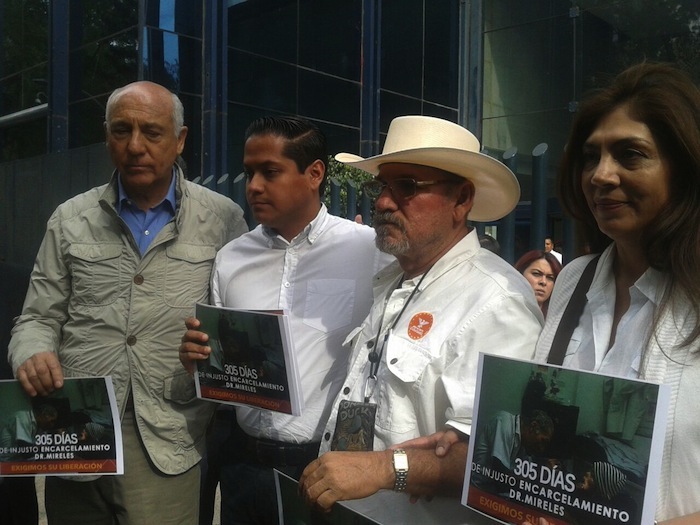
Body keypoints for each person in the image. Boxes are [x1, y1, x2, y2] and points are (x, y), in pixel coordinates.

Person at [7, 80, 247, 524]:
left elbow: (234, 326)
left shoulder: (222, 220)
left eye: (151, 133)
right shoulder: (69, 219)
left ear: (180, 140)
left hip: (168, 435)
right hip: (75, 427)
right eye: (121, 130)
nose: (134, 146)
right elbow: (37, 317)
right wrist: (32, 351)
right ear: (107, 137)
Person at [299, 115, 543, 522]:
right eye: (383, 186)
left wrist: (381, 468)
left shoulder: (497, 301)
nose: (382, 202)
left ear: (462, 200)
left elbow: (497, 459)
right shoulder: (394, 278)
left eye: (407, 187)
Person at [178, 116, 391, 525]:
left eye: (270, 172)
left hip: (324, 470)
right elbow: (223, 372)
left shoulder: (369, 252)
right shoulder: (231, 259)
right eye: (249, 172)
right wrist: (201, 363)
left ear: (314, 174)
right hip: (243, 466)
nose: (254, 185)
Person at [533, 62, 700, 524]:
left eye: (630, 155)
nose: (601, 176)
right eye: (591, 156)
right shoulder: (574, 280)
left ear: (684, 170)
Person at [470, 409, 554, 494]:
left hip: (495, 494)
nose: (541, 448)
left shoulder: (524, 445)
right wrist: (539, 477)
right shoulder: (504, 422)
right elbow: (500, 478)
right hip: (479, 490)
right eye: (543, 441)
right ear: (533, 426)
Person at [514, 250, 562, 317]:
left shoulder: (558, 317)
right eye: (536, 274)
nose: (543, 282)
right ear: (520, 273)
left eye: (550, 278)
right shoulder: (503, 309)